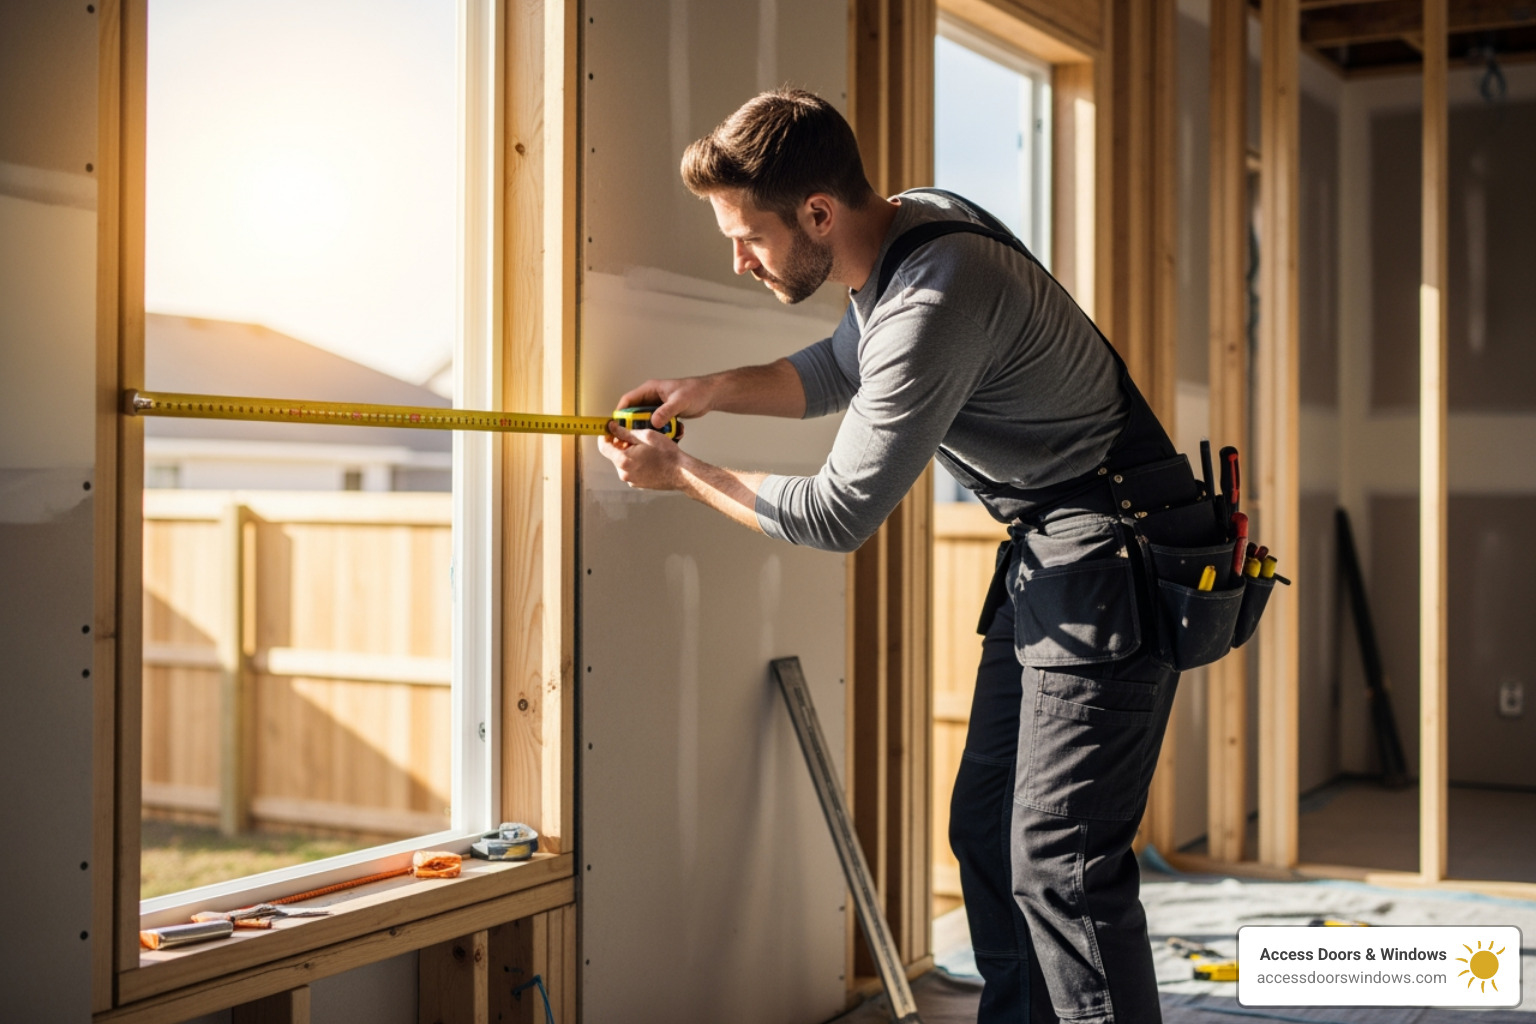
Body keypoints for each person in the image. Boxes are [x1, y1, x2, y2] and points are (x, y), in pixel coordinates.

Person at [599, 87, 1192, 1024]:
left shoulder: (933, 296)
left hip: (1114, 554)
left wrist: (682, 476)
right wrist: (704, 389)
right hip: (1056, 549)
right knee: (988, 831)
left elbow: (836, 514)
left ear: (819, 214)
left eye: (748, 236)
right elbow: (842, 365)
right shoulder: (911, 223)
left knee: (1062, 863)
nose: (739, 258)